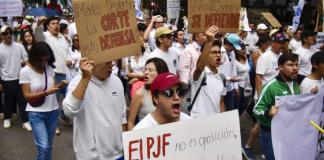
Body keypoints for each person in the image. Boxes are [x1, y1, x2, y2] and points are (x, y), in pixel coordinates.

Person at [62, 58, 127, 160]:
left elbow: (122, 115)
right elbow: (68, 111)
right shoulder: (78, 82)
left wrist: (124, 145)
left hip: (117, 153)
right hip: (91, 156)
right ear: (93, 63)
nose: (111, 65)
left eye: (111, 61)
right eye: (107, 62)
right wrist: (85, 78)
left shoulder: (117, 81)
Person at [20, 41, 66, 159]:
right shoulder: (25, 71)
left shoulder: (49, 68)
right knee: (43, 146)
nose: (44, 62)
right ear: (35, 56)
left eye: (46, 59)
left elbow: (52, 88)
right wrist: (45, 93)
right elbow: (26, 95)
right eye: (42, 59)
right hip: (36, 114)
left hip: (53, 111)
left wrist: (60, 85)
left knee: (49, 146)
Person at [254, 53, 300, 160]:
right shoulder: (270, 87)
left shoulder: (295, 83)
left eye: (296, 65)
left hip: (289, 131)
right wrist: (268, 113)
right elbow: (256, 109)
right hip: (270, 134)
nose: (295, 68)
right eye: (290, 65)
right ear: (280, 67)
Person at [35, 16, 71, 131]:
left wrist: (71, 60)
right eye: (53, 23)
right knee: (53, 101)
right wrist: (39, 24)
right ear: (48, 26)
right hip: (53, 74)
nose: (56, 25)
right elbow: (38, 36)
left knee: (68, 99)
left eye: (57, 23)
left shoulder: (63, 38)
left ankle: (63, 115)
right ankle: (54, 125)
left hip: (67, 73)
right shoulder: (45, 36)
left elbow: (68, 52)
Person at [189, 25, 226, 118]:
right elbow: (199, 67)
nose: (218, 55)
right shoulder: (200, 74)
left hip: (214, 125)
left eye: (219, 52)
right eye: (213, 52)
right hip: (198, 123)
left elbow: (221, 102)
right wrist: (209, 41)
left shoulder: (222, 77)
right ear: (205, 55)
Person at [127, 58, 169, 130]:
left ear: (160, 73)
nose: (146, 72)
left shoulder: (169, 92)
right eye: (145, 69)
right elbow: (131, 122)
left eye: (150, 70)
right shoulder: (139, 94)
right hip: (147, 138)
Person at [0, 25, 28, 129]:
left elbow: (26, 59)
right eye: (5, 33)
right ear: (1, 36)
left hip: (20, 78)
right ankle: (7, 118)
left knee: (22, 100)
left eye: (10, 33)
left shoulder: (19, 46)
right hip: (6, 78)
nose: (8, 35)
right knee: (9, 100)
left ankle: (25, 121)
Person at [219, 33, 241, 111]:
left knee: (231, 110)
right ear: (228, 44)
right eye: (232, 47)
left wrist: (236, 86)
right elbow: (217, 71)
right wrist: (228, 78)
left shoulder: (232, 53)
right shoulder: (219, 53)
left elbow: (233, 69)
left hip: (230, 88)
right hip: (220, 86)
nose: (233, 49)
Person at [234, 41, 252, 116]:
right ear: (236, 49)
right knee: (237, 107)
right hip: (238, 86)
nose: (243, 50)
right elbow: (233, 74)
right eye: (241, 48)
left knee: (244, 105)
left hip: (247, 85)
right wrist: (236, 87)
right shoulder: (234, 60)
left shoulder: (246, 57)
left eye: (244, 48)